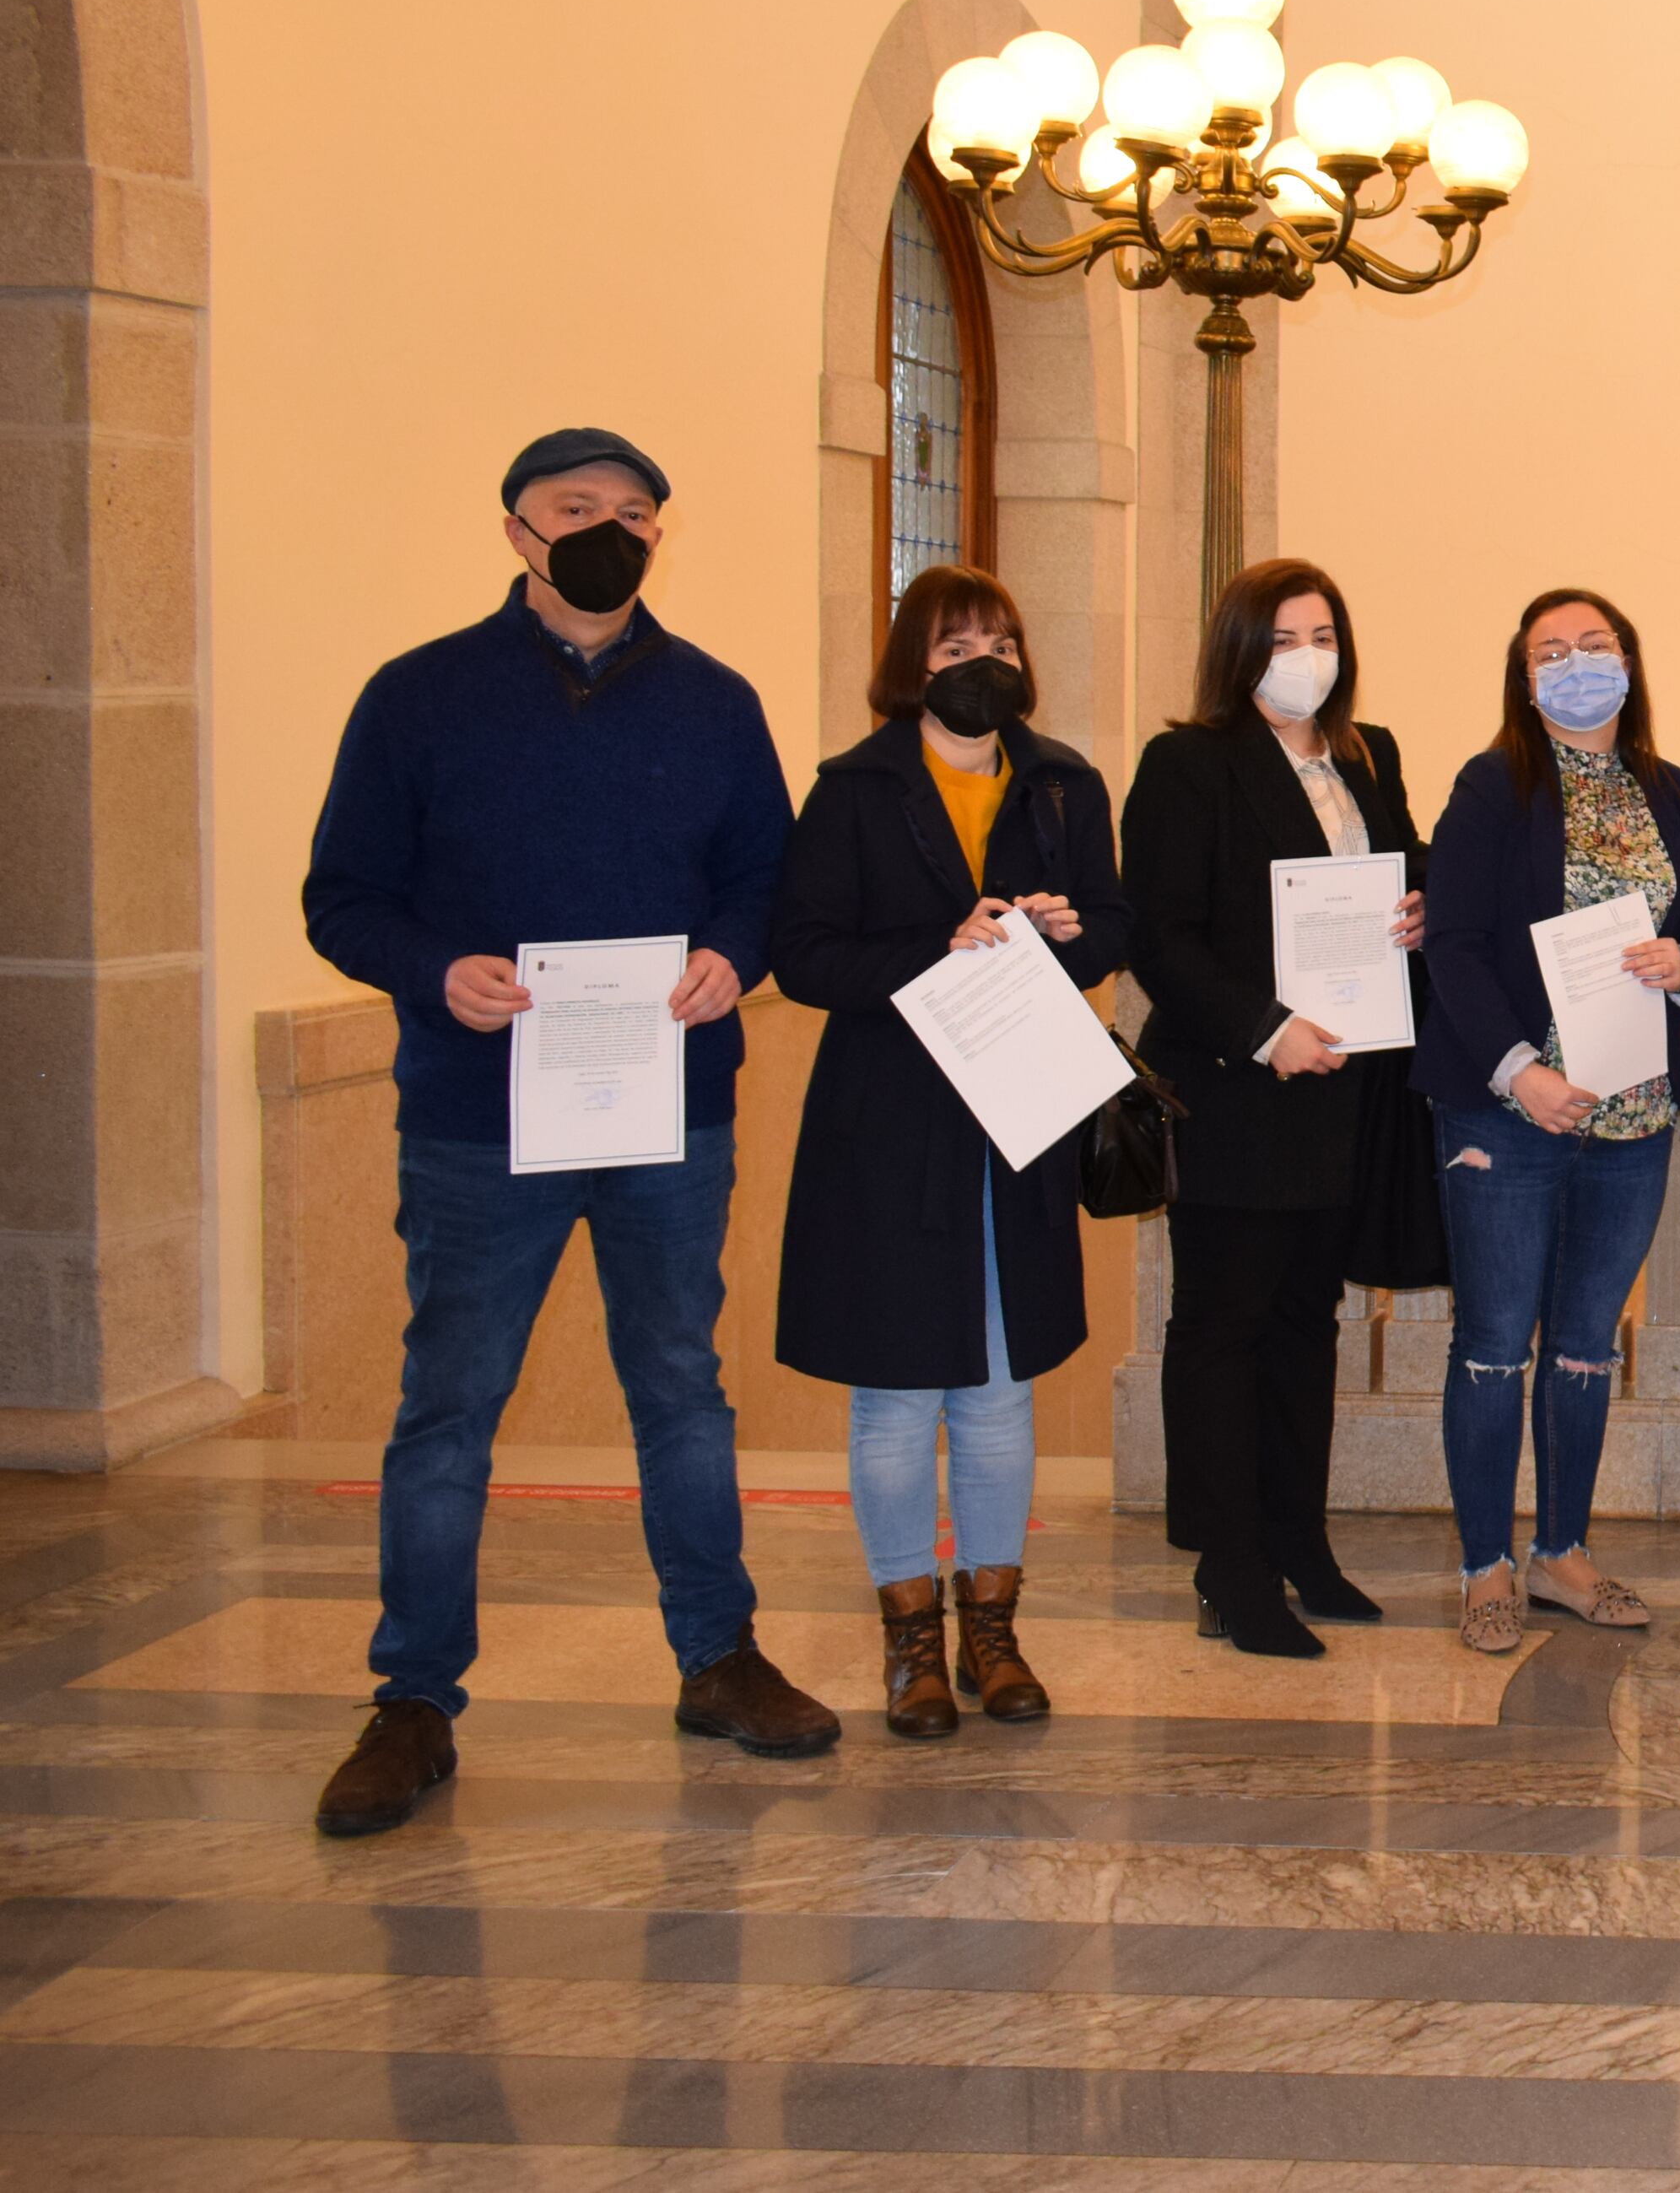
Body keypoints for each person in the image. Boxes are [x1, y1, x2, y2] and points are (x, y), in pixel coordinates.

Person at [298, 429, 835, 1837]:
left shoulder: (716, 702)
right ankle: (413, 1695)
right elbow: (342, 895)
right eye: (577, 508)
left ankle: (717, 1656)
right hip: (483, 1118)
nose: (610, 528)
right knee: (449, 1404)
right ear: (519, 533)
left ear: (664, 536)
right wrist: (433, 971)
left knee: (680, 1387)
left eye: (636, 512)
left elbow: (764, 874)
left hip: (666, 1107)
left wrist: (733, 954)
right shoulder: (419, 697)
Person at [768, 565, 1130, 1737]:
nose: (986, 661)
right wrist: (941, 940)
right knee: (894, 1396)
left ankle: (995, 1633)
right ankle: (910, 1646)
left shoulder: (1067, 784)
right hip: (890, 1123)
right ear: (912, 661)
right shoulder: (853, 790)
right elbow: (806, 957)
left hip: (1014, 1114)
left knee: (997, 1387)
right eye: (957, 642)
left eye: (1004, 641)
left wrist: (1068, 934)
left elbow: (1109, 931)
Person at [1119, 559, 1430, 1660]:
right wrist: (1263, 1028)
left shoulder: (1365, 755)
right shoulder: (1187, 763)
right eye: (1287, 635)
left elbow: (1409, 872)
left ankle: (1302, 1543)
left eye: (1325, 634)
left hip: (1344, 1101)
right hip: (1236, 1092)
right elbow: (1160, 935)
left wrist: (1419, 911)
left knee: (1309, 1326)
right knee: (1223, 1329)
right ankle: (1229, 1567)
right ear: (1242, 650)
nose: (1311, 655)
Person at [1416, 587, 1680, 1655]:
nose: (1576, 662)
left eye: (1595, 645)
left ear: (1630, 664)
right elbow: (1448, 943)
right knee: (1497, 1344)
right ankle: (1484, 1566)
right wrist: (1515, 1073)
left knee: (1586, 1346)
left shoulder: (1675, 791)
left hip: (1633, 1117)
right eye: (1552, 650)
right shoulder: (1492, 786)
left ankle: (1562, 1552)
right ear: (1523, 672)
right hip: (1511, 1113)